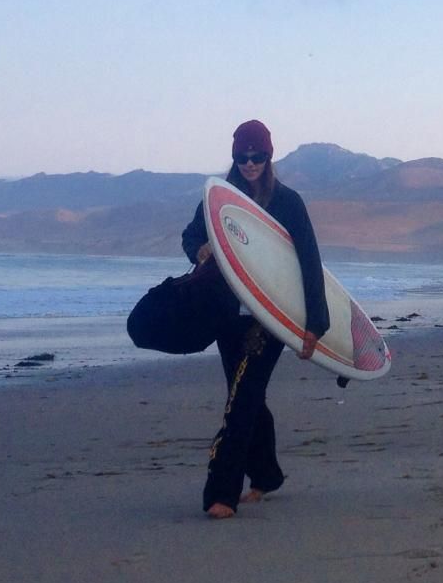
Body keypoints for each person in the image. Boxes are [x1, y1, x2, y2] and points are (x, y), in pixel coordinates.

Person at [135, 119, 329, 519]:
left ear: (269, 157)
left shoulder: (288, 202)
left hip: (271, 316)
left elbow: (310, 261)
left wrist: (315, 324)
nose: (250, 163)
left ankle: (222, 494)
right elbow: (191, 235)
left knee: (242, 399)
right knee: (246, 394)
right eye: (243, 157)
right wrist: (200, 249)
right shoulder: (218, 200)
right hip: (227, 315)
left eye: (257, 156)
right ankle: (266, 474)